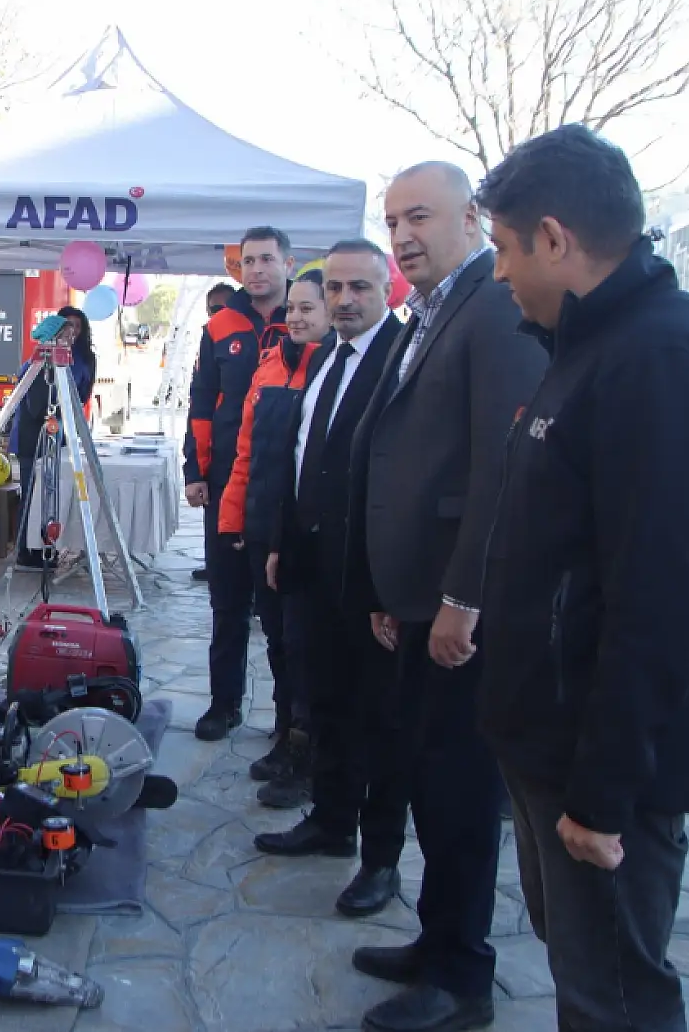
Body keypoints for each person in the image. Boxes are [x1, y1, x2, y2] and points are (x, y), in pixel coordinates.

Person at [478, 126, 689, 1032]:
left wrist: (602, 794)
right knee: (582, 976)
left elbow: (662, 596)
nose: (498, 275)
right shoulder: (588, 344)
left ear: (553, 238)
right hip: (548, 741)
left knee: (617, 999)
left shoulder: (661, 355)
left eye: (503, 249)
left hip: (599, 768)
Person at [343, 162, 547, 1032]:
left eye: (418, 216)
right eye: (392, 221)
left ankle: (462, 977)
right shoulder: (431, 312)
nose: (402, 237)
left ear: (471, 217)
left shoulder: (491, 306)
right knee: (431, 781)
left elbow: (502, 466)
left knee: (462, 798)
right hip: (418, 598)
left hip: (461, 609)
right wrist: (396, 590)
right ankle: (436, 940)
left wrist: (463, 595)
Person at [255, 240, 408, 919]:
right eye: (335, 287)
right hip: (314, 569)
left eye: (359, 288)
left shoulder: (404, 357)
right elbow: (302, 457)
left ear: (387, 289)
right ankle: (331, 819)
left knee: (380, 722)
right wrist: (283, 544)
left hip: (372, 577)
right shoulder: (322, 358)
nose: (345, 299)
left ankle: (380, 859)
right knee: (328, 705)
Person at [215, 273, 328, 802]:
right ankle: (286, 736)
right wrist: (234, 522)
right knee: (279, 642)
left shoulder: (330, 368)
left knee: (306, 647)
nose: (299, 317)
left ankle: (308, 753)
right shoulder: (268, 363)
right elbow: (246, 452)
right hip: (262, 527)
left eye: (311, 308)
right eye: (296, 308)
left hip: (302, 533)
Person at [186, 230, 291, 741]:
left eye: (266, 259)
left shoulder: (308, 318)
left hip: (284, 489)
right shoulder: (220, 325)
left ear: (287, 263)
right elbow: (202, 403)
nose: (257, 270)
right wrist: (194, 471)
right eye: (248, 261)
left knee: (279, 613)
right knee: (227, 605)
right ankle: (223, 705)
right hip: (227, 486)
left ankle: (288, 717)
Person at [10, 305, 97, 569]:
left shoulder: (77, 359)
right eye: (66, 332)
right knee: (31, 493)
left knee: (47, 494)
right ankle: (26, 550)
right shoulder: (41, 361)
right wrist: (62, 408)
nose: (70, 338)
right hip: (32, 439)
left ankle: (43, 545)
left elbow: (78, 395)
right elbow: (37, 405)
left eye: (75, 332)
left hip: (53, 439)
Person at [188, 281, 239, 583]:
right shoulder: (210, 340)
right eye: (212, 310)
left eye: (222, 309)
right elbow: (200, 405)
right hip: (219, 463)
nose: (216, 315)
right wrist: (195, 469)